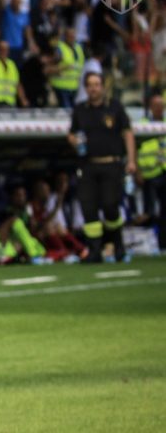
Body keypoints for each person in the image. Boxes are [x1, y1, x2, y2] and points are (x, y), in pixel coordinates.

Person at [67, 72, 137, 262]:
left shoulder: (114, 107)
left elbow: (128, 133)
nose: (93, 88)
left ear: (103, 87)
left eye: (97, 84)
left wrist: (131, 160)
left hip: (111, 164)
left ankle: (117, 245)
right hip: (88, 166)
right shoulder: (80, 110)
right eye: (90, 85)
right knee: (88, 208)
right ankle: (94, 251)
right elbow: (72, 133)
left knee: (110, 206)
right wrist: (74, 141)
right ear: (85, 88)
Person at [136, 93, 166, 249]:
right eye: (156, 105)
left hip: (164, 170)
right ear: (150, 107)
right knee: (151, 211)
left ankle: (163, 244)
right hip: (150, 174)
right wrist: (137, 171)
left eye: (161, 105)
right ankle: (150, 243)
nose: (159, 108)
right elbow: (135, 150)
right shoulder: (142, 125)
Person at [0, 40, 27, 108]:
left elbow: (17, 84)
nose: (3, 51)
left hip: (9, 102)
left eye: (5, 49)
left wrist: (23, 100)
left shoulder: (11, 64)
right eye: (1, 49)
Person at [49, 27, 83, 109]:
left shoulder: (78, 48)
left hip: (74, 86)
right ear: (65, 36)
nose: (72, 38)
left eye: (73, 35)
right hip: (61, 86)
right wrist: (63, 68)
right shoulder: (59, 48)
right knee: (66, 112)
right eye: (69, 36)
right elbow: (49, 68)